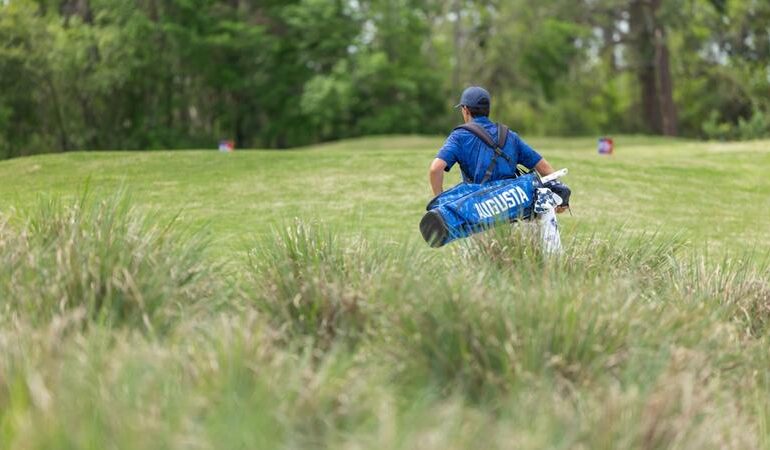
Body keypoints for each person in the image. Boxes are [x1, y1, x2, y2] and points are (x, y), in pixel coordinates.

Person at [428, 86, 568, 251]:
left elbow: (435, 169)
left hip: (479, 216)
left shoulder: (460, 137)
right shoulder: (509, 136)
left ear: (465, 110)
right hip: (514, 212)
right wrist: (560, 198)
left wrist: (441, 202)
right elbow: (545, 168)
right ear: (487, 110)